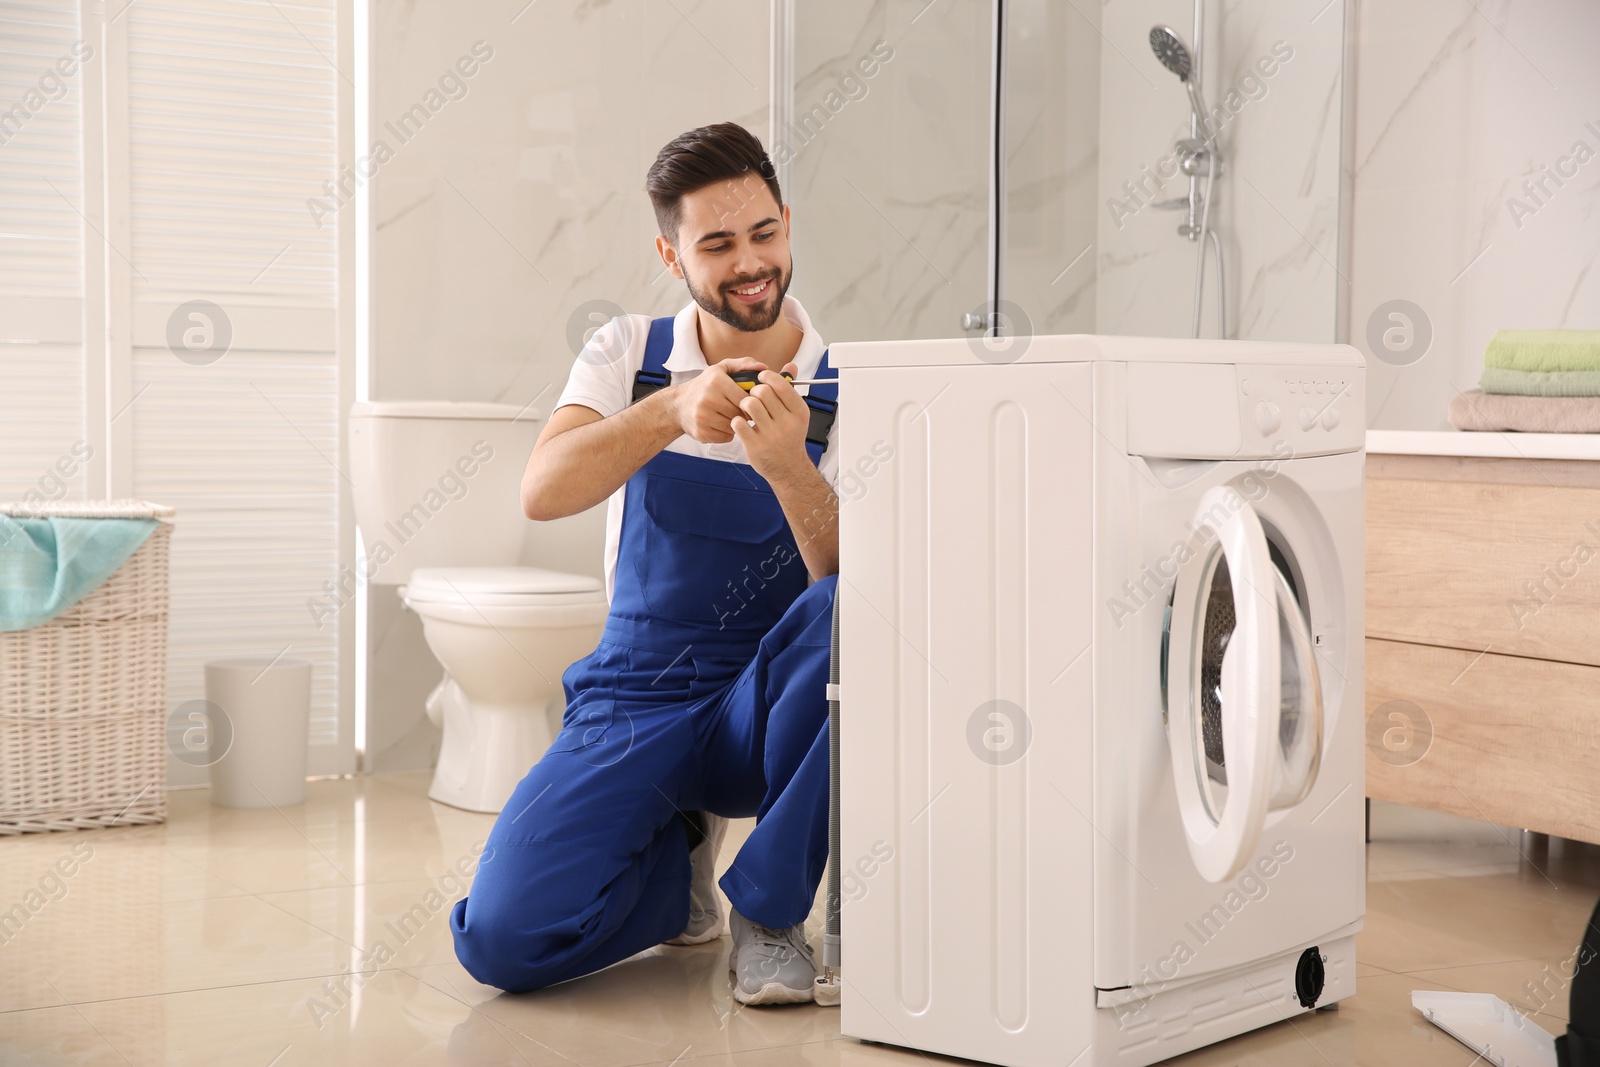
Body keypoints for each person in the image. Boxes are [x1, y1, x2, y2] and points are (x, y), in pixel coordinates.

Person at [448, 122, 840, 1007]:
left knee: (853, 608)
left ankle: (770, 914)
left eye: (763, 234)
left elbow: (848, 581)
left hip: (764, 704)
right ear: (671, 253)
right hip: (635, 695)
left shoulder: (844, 387)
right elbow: (542, 489)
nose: (750, 264)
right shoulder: (628, 354)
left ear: (787, 222)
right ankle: (675, 866)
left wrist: (789, 467)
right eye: (717, 244)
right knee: (503, 939)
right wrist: (669, 410)